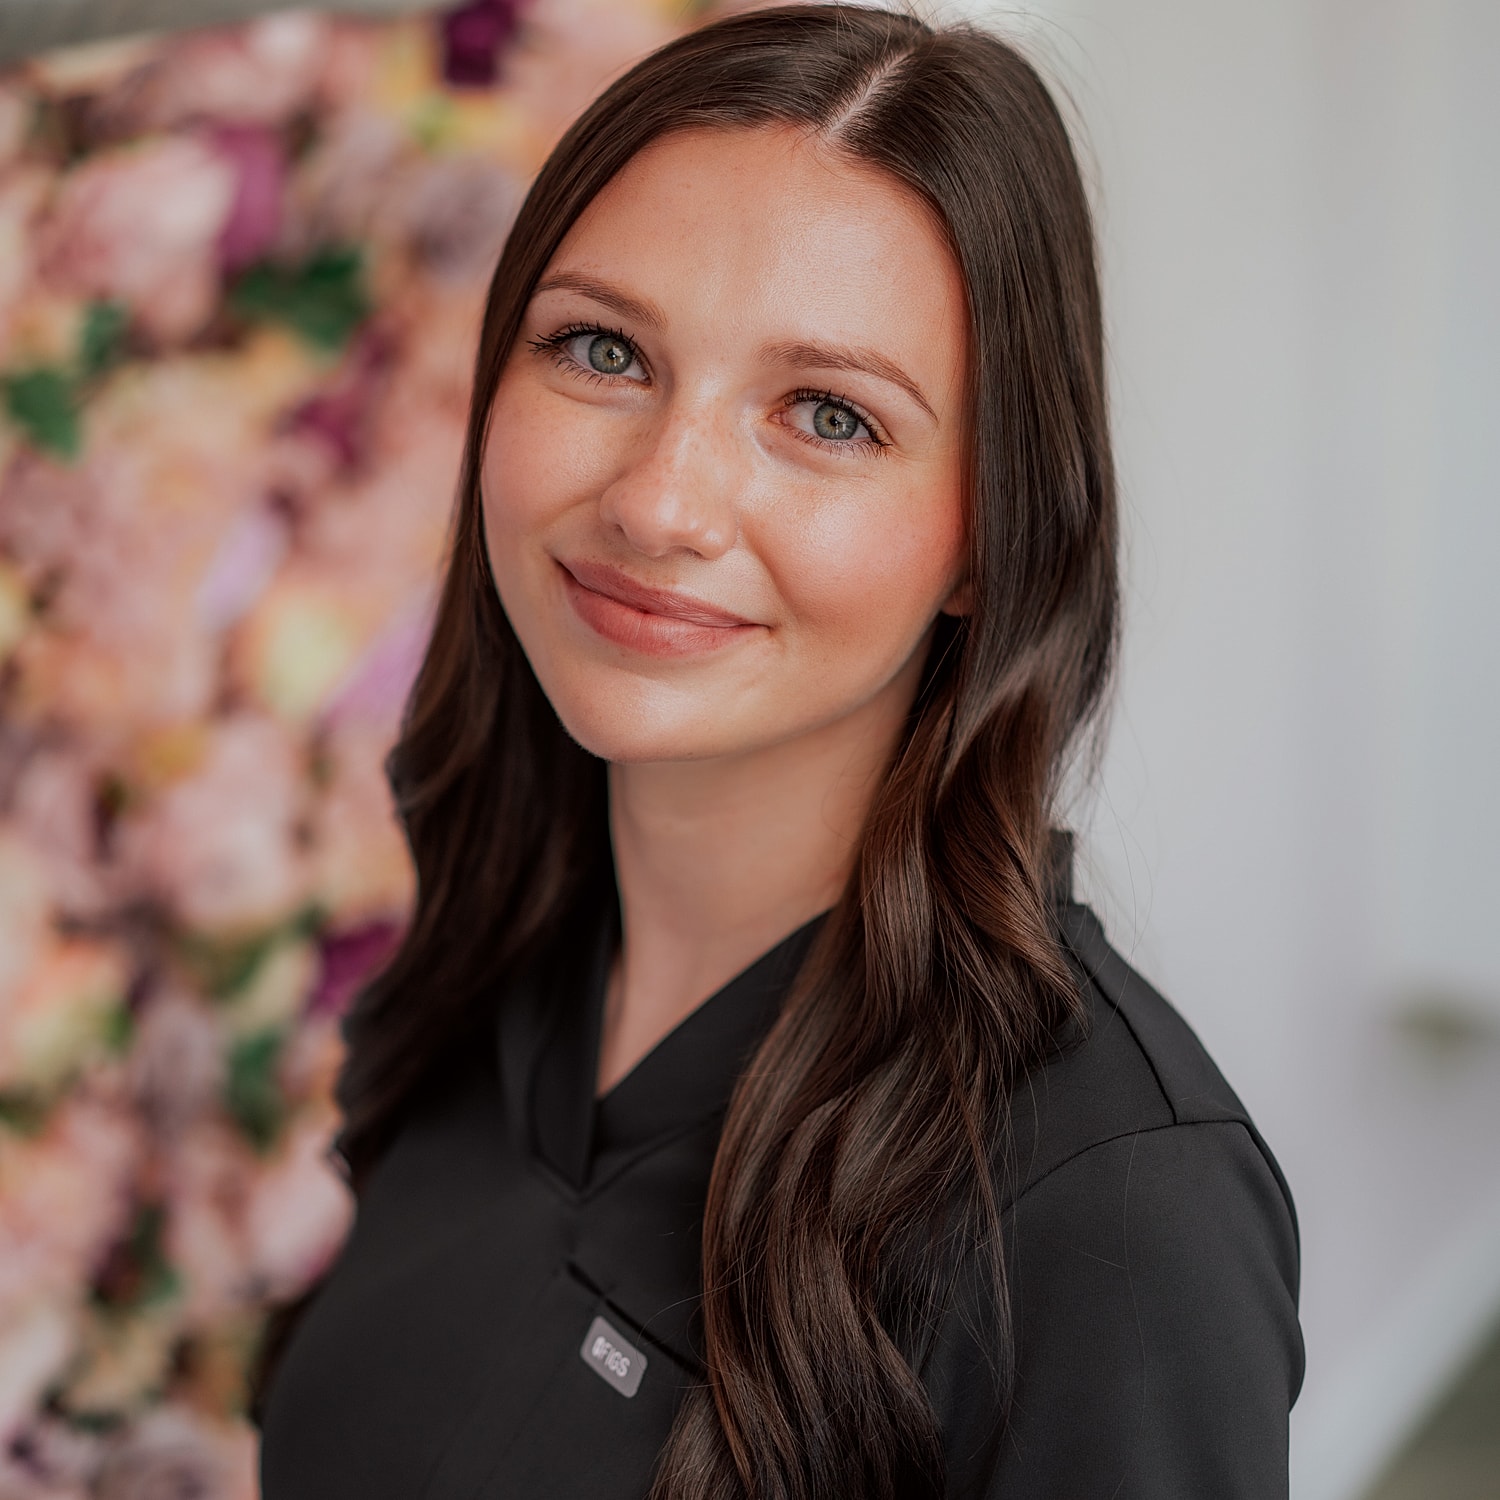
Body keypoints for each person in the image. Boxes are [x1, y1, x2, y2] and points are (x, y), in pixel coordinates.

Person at [251, 5, 1304, 1497]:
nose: (663, 502)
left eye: (828, 416)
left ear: (988, 540)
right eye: (602, 349)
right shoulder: (494, 964)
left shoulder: (1115, 1216)